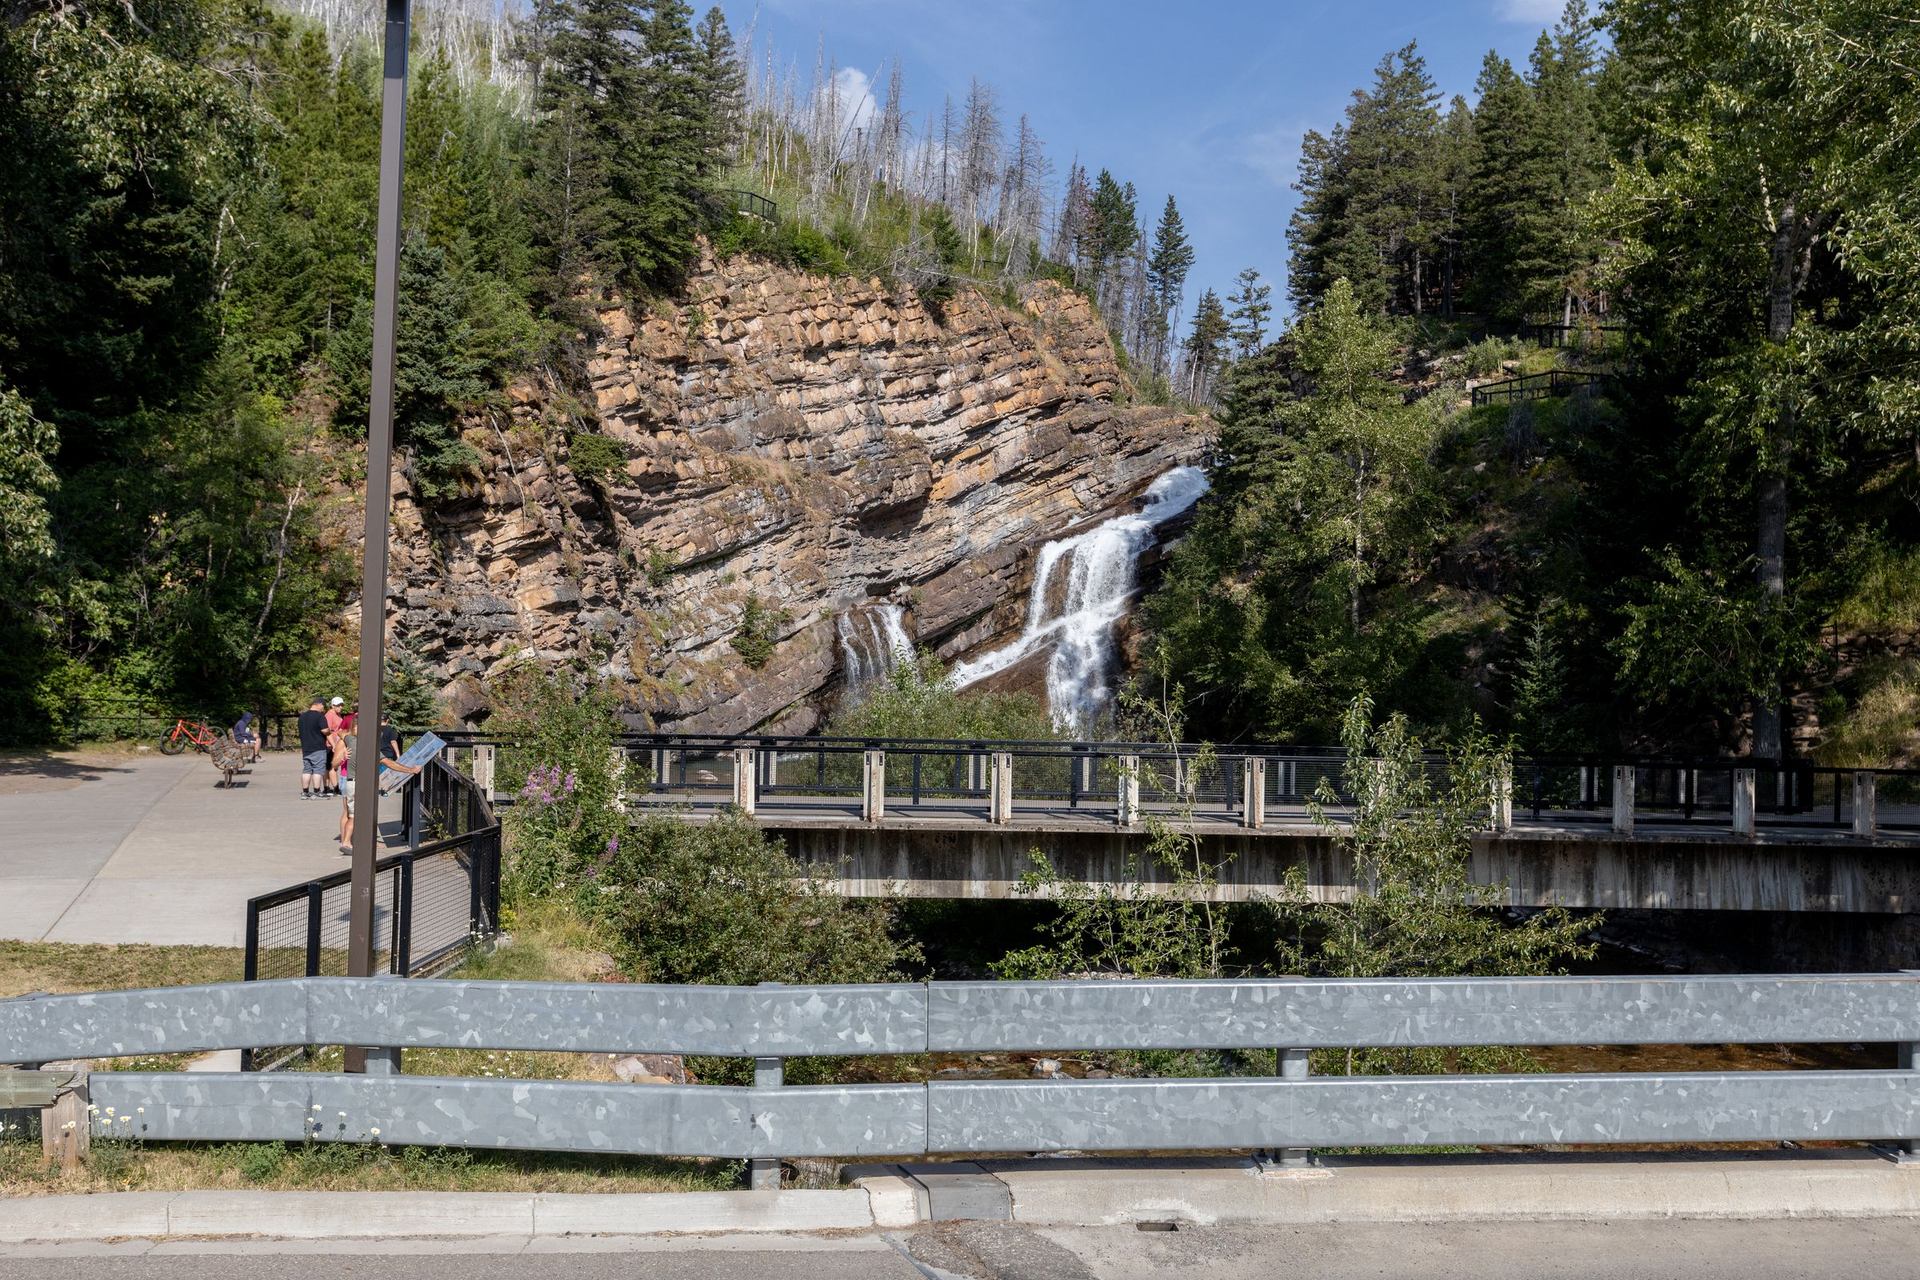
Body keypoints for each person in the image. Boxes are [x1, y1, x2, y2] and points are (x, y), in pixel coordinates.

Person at [296, 698, 329, 799]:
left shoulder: (302, 717)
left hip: (306, 747)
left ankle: (305, 792)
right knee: (318, 770)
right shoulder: (320, 716)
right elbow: (324, 730)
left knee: (307, 770)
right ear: (318, 704)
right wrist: (329, 731)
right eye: (323, 706)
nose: (323, 708)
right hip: (318, 746)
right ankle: (317, 791)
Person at [324, 696, 346, 794]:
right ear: (332, 705)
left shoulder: (338, 715)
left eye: (341, 705)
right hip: (330, 744)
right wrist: (332, 744)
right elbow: (327, 730)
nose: (340, 707)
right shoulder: (329, 715)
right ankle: (335, 788)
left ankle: (327, 787)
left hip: (337, 743)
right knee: (331, 766)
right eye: (338, 705)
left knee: (333, 766)